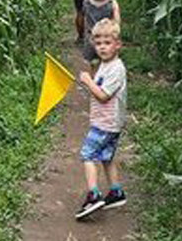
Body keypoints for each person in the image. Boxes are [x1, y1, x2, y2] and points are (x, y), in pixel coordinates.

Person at [75, 18, 127, 220]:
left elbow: (103, 95)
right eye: (98, 44)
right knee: (106, 157)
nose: (102, 48)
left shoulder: (116, 68)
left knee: (87, 155)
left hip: (106, 123)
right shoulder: (106, 64)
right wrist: (90, 82)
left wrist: (88, 81)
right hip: (107, 122)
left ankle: (94, 195)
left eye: (107, 43)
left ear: (117, 44)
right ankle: (115, 192)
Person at [81, 0, 121, 66]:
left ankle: (92, 79)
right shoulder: (112, 4)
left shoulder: (86, 2)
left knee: (92, 64)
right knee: (108, 64)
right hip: (108, 40)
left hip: (91, 40)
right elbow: (117, 23)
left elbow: (84, 19)